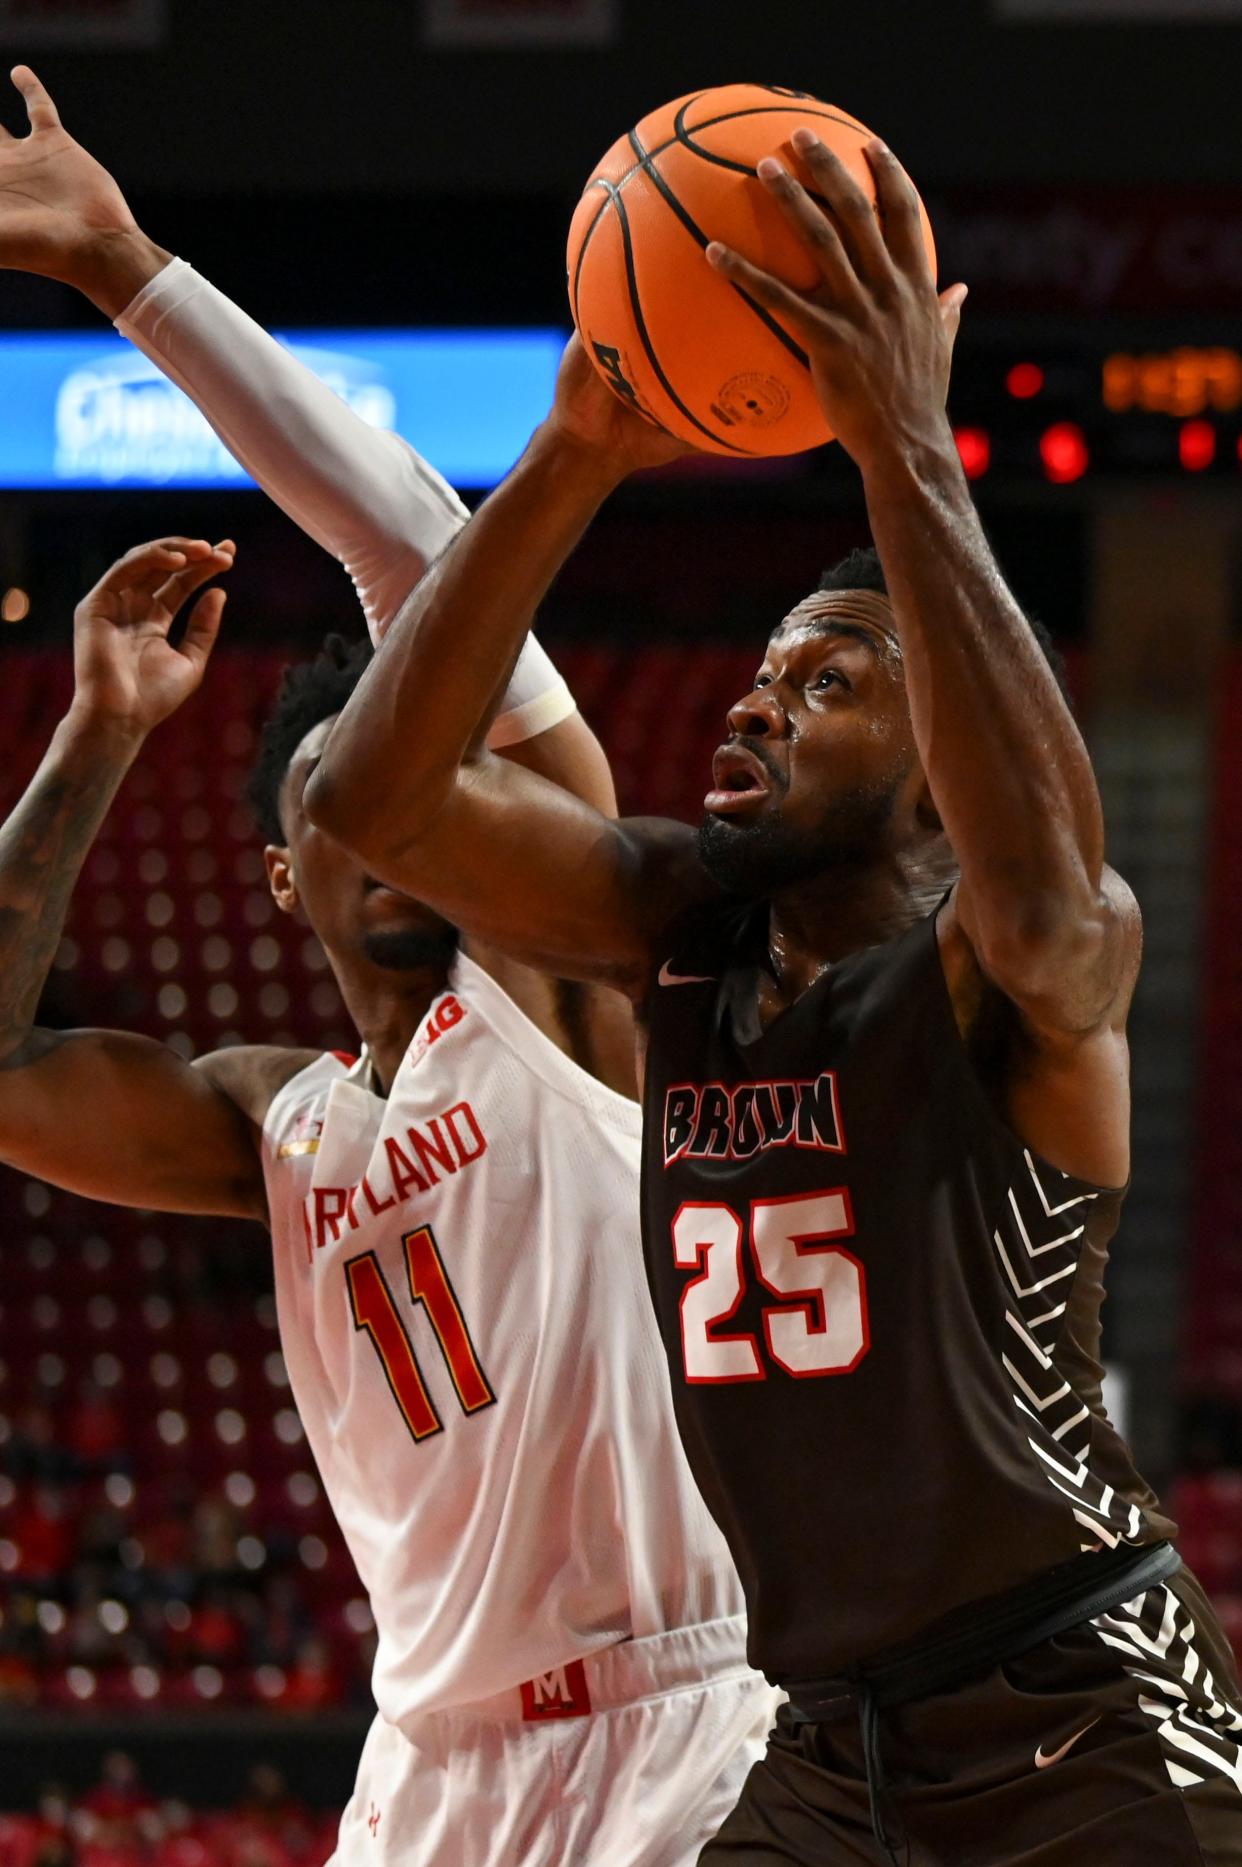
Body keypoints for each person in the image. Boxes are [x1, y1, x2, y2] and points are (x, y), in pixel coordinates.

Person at [255, 123, 1235, 1864]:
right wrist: (567, 456)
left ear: (935, 759)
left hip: (1074, 1710)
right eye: (761, 669)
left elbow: (1047, 899)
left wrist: (901, 449)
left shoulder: (1016, 970)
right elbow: (368, 807)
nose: (755, 704)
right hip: (824, 1743)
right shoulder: (679, 929)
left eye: (830, 679)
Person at [0, 68, 779, 1867]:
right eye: (348, 793)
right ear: (283, 872)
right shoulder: (276, 1130)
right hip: (427, 1774)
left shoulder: (564, 988)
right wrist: (99, 736)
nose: (399, 799)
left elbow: (407, 551)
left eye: (424, 768)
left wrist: (131, 274)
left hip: (682, 1727)